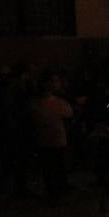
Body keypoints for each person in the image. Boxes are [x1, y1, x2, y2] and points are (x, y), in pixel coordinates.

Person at [30, 70, 73, 203]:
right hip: (51, 139)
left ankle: (56, 192)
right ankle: (56, 193)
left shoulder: (40, 103)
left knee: (54, 168)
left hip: (52, 139)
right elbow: (69, 113)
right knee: (53, 168)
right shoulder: (46, 103)